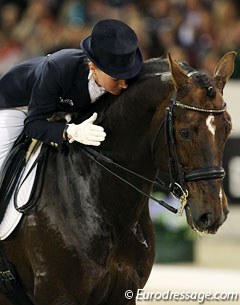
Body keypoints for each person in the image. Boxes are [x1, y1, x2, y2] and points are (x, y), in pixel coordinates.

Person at [0, 19, 143, 172]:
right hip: (19, 102)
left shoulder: (125, 76)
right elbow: (32, 124)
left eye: (127, 76)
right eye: (115, 78)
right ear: (93, 68)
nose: (124, 85)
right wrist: (69, 131)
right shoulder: (59, 68)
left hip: (58, 107)